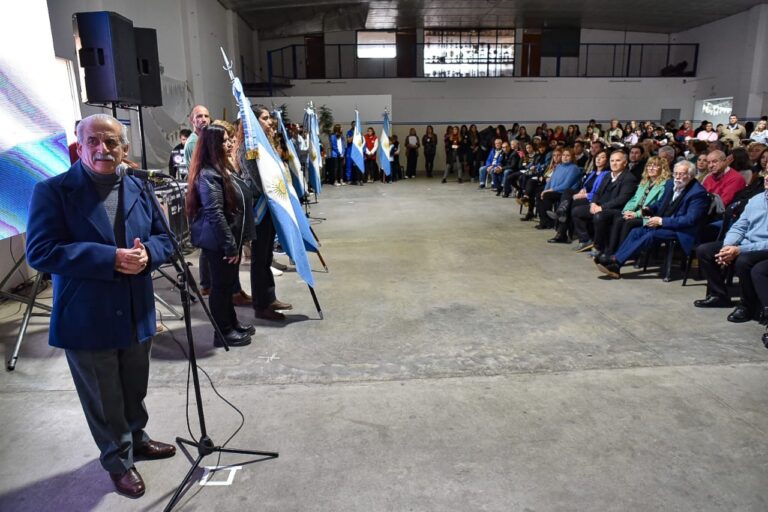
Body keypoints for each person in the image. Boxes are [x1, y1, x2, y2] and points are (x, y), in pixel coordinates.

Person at [26, 114, 175, 498]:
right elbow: (41, 252)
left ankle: (137, 439)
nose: (102, 149)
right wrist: (108, 258)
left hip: (137, 310)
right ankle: (117, 461)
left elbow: (166, 239)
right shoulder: (53, 191)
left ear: (125, 149)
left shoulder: (139, 187)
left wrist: (149, 256)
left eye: (111, 142)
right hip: (86, 317)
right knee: (104, 398)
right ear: (80, 146)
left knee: (133, 387)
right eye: (93, 141)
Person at [186, 124, 254, 347]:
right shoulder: (207, 174)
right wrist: (229, 245)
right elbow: (214, 213)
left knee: (228, 285)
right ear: (213, 144)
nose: (229, 143)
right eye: (224, 141)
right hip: (219, 242)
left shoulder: (221, 168)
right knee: (221, 288)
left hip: (228, 239)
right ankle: (222, 332)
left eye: (229, 140)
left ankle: (231, 322)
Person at [595, 160, 709, 279]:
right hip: (664, 223)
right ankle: (616, 264)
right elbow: (660, 204)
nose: (677, 177)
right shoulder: (671, 184)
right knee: (636, 231)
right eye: (675, 173)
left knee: (651, 235)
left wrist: (661, 221)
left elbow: (690, 220)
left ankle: (615, 261)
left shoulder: (697, 193)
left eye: (682, 174)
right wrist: (646, 210)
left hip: (682, 230)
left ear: (690, 175)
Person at [693, 176, 768, 323]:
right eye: (767, 173)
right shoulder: (757, 199)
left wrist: (740, 249)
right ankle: (718, 295)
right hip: (745, 243)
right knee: (705, 250)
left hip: (762, 247)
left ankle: (747, 305)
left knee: (743, 260)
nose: (766, 177)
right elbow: (740, 226)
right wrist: (728, 246)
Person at [242, 106, 293, 321]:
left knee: (267, 256)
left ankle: (269, 297)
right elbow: (257, 178)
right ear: (254, 121)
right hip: (260, 206)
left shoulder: (264, 143)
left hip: (270, 204)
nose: (269, 122)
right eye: (264, 118)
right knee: (259, 257)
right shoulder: (250, 145)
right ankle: (261, 304)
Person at [571, 150, 638, 252]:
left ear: (625, 163)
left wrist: (601, 208)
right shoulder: (608, 175)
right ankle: (585, 240)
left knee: (599, 216)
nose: (614, 163)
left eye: (618, 160)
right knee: (577, 211)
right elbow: (597, 193)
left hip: (616, 210)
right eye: (612, 161)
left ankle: (598, 247)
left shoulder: (629, 178)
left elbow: (621, 200)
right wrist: (593, 203)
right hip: (600, 206)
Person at [604, 156, 671, 256]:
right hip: (635, 212)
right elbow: (634, 199)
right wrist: (627, 210)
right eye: (649, 165)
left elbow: (656, 206)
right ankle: (610, 251)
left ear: (662, 168)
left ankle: (620, 254)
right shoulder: (645, 181)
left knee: (628, 223)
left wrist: (636, 214)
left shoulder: (665, 185)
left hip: (650, 216)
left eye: (655, 166)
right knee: (619, 219)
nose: (651, 168)